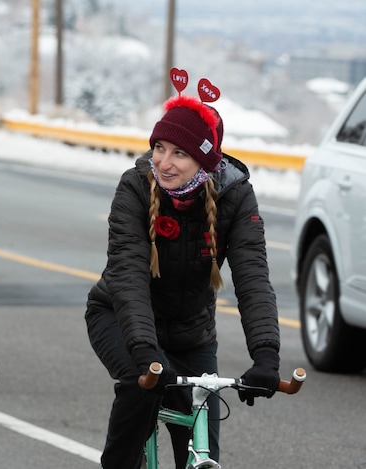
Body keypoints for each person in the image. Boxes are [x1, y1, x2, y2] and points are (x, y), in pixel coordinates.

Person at [84, 83, 281, 468]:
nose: (163, 162)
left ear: (205, 161)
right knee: (140, 392)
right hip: (121, 320)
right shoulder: (135, 187)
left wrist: (266, 355)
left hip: (192, 335)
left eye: (180, 153)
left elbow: (253, 275)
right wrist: (145, 353)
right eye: (159, 148)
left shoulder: (236, 198)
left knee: (201, 447)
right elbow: (127, 274)